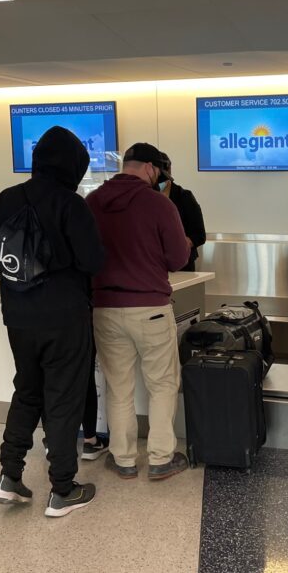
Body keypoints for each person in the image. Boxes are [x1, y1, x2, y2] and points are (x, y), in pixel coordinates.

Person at [0, 126, 104, 518]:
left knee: (27, 391)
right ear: (73, 165)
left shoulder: (6, 200)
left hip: (18, 315)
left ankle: (9, 476)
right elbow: (93, 261)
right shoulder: (71, 203)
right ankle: (63, 488)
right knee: (63, 397)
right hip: (64, 316)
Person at [86, 143, 190, 481]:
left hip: (104, 307)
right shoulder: (158, 203)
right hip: (150, 309)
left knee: (118, 387)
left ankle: (124, 459)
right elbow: (177, 259)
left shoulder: (92, 202)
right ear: (149, 167)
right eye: (159, 173)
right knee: (161, 385)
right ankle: (160, 458)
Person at [157, 153, 206, 272]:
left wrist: (182, 243)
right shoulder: (145, 197)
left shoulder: (184, 197)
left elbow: (199, 235)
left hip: (183, 265)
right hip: (154, 264)